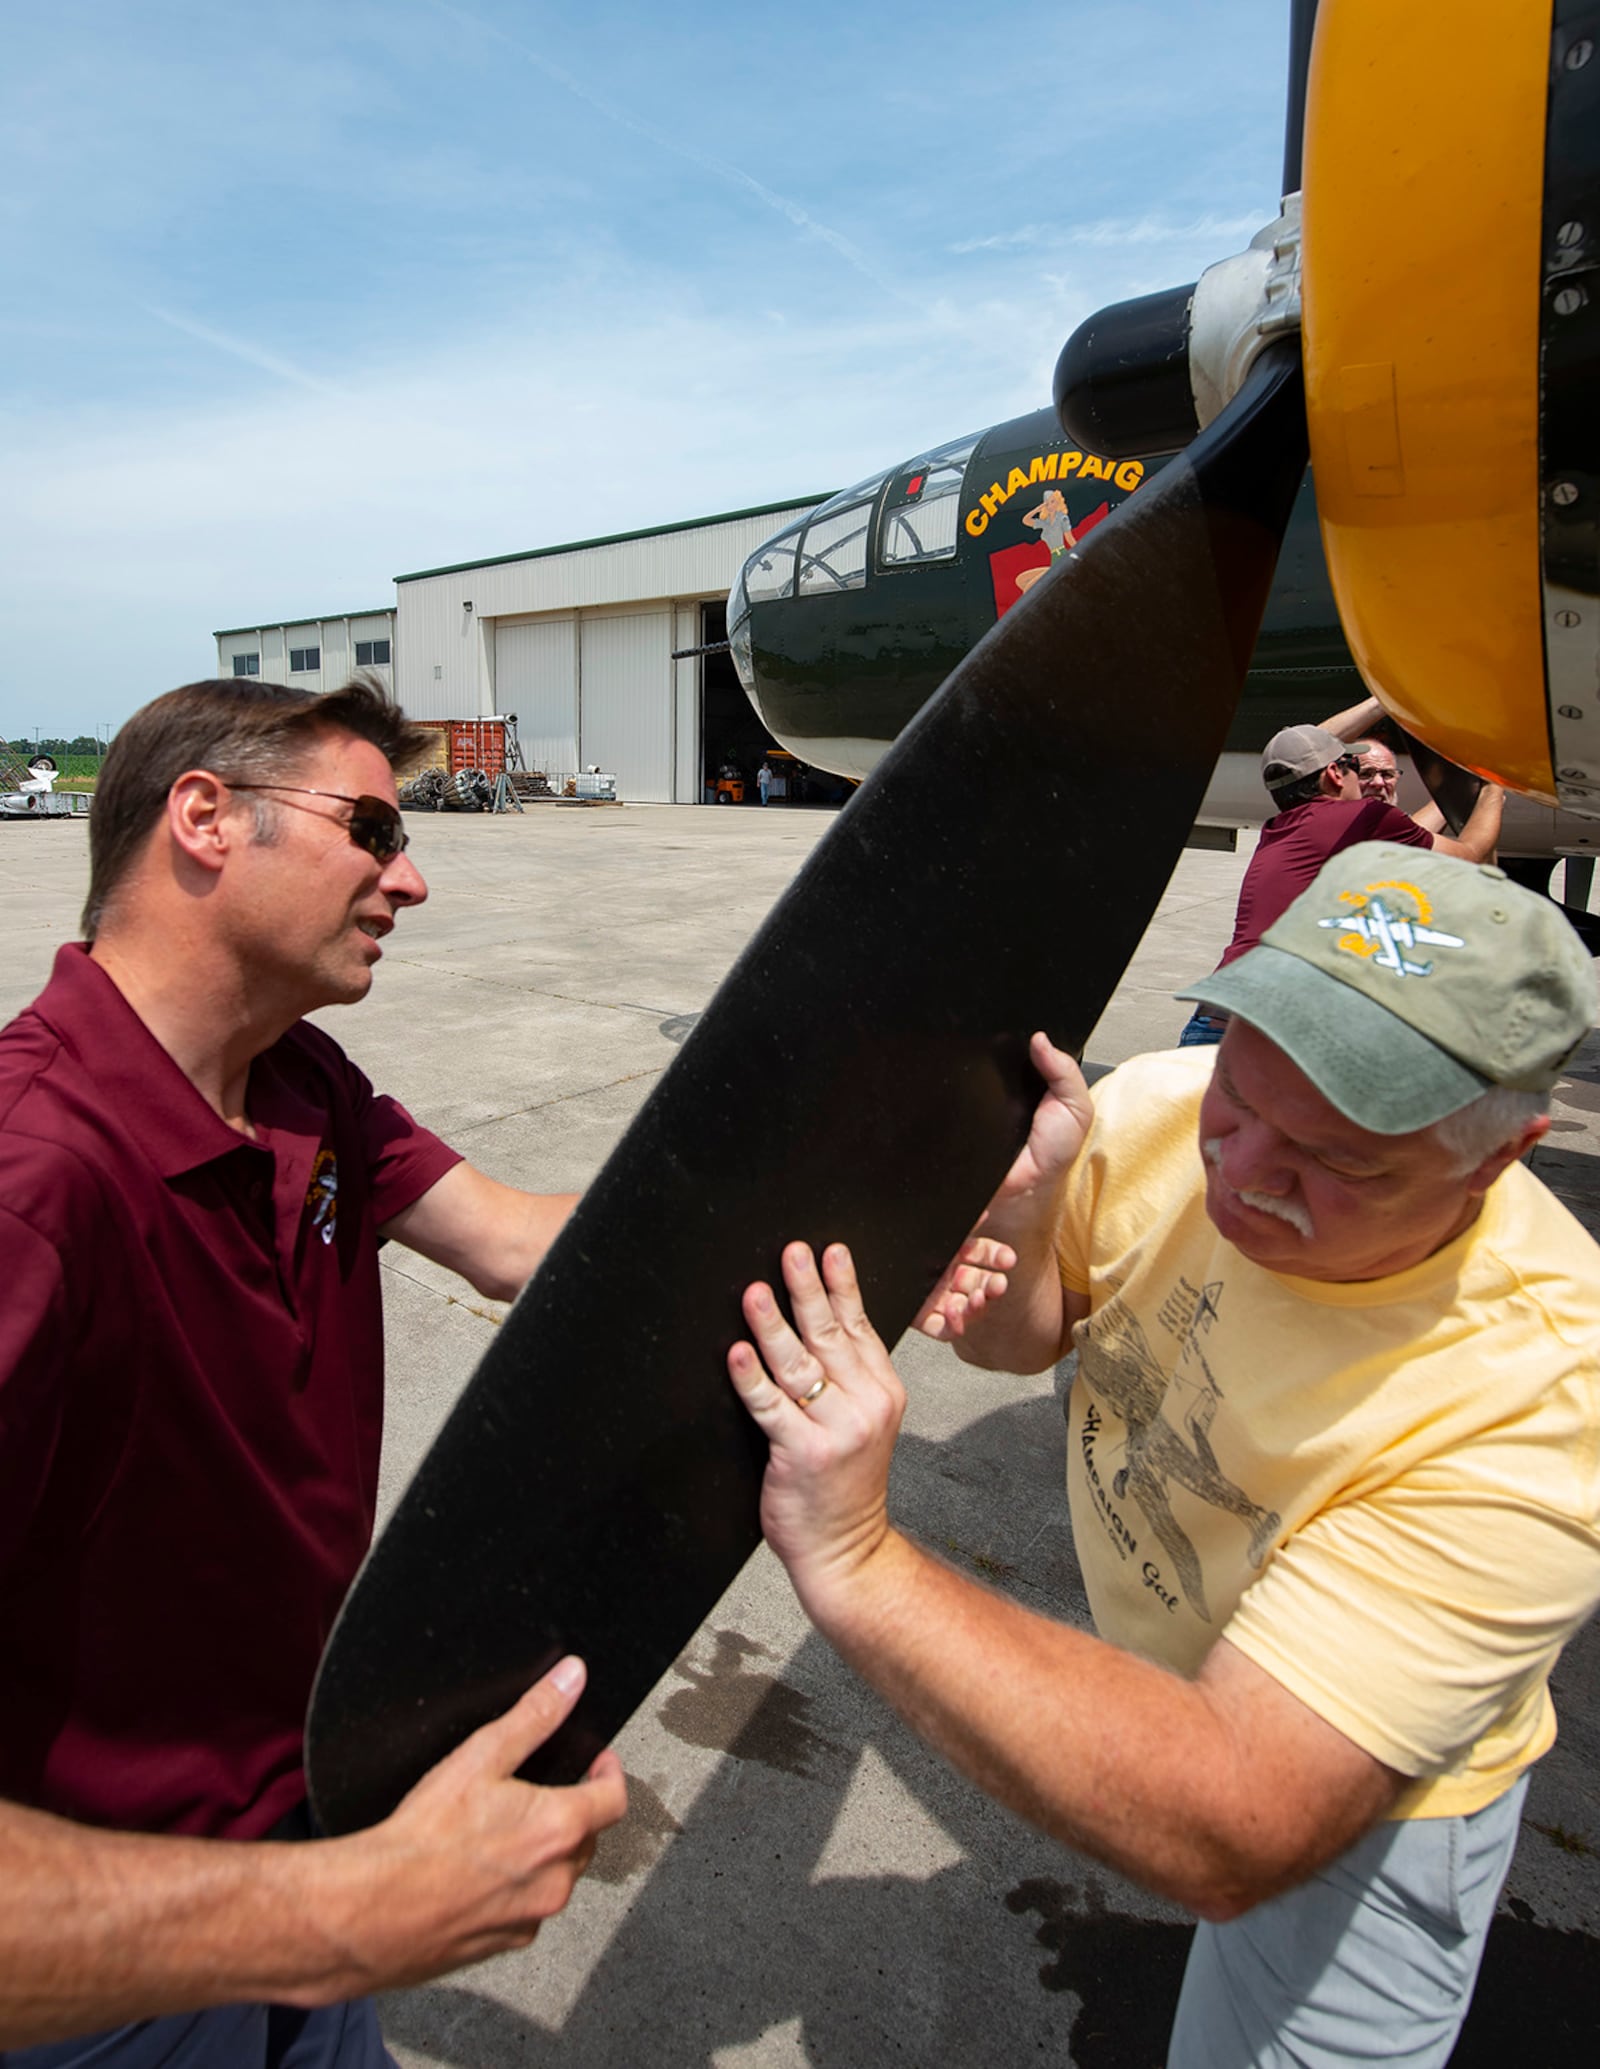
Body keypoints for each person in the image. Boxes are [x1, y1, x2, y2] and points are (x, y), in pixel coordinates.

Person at [726, 840, 1600, 2069]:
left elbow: (1234, 1814)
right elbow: (1028, 1341)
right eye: (1240, 1100)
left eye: (1338, 1157)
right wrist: (1026, 1231)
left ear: (1503, 1154)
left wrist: (858, 1556)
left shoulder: (1540, 1409)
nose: (1240, 1175)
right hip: (1183, 1682)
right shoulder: (1157, 1104)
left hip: (1370, 1804)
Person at [0, 678, 627, 2064]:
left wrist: (875, 1204)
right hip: (118, 1966)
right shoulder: (31, 1183)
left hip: (308, 1866)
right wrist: (344, 1912)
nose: (412, 876)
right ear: (208, 820)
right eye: (373, 825)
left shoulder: (304, 1084)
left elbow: (533, 1243)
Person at [1177, 723, 1503, 1045]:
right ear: (1335, 775)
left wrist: (1380, 703)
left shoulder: (1281, 827)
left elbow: (1295, 752)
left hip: (1214, 1020)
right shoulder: (1363, 818)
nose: (1366, 782)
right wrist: (1494, 788)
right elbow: (1470, 853)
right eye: (1355, 769)